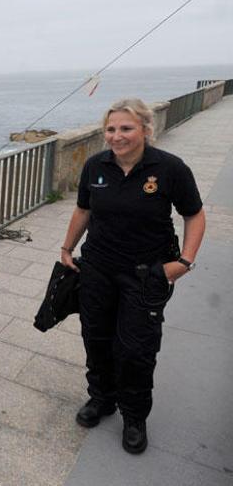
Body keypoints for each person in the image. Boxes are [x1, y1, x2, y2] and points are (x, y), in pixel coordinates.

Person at [60, 98, 205, 454]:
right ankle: (102, 398)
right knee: (96, 337)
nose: (116, 136)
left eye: (126, 128)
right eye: (111, 129)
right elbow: (83, 209)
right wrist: (66, 248)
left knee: (136, 349)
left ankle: (135, 416)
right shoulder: (96, 166)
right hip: (97, 269)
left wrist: (184, 262)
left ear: (145, 130)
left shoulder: (170, 168)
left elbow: (195, 215)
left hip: (145, 275)